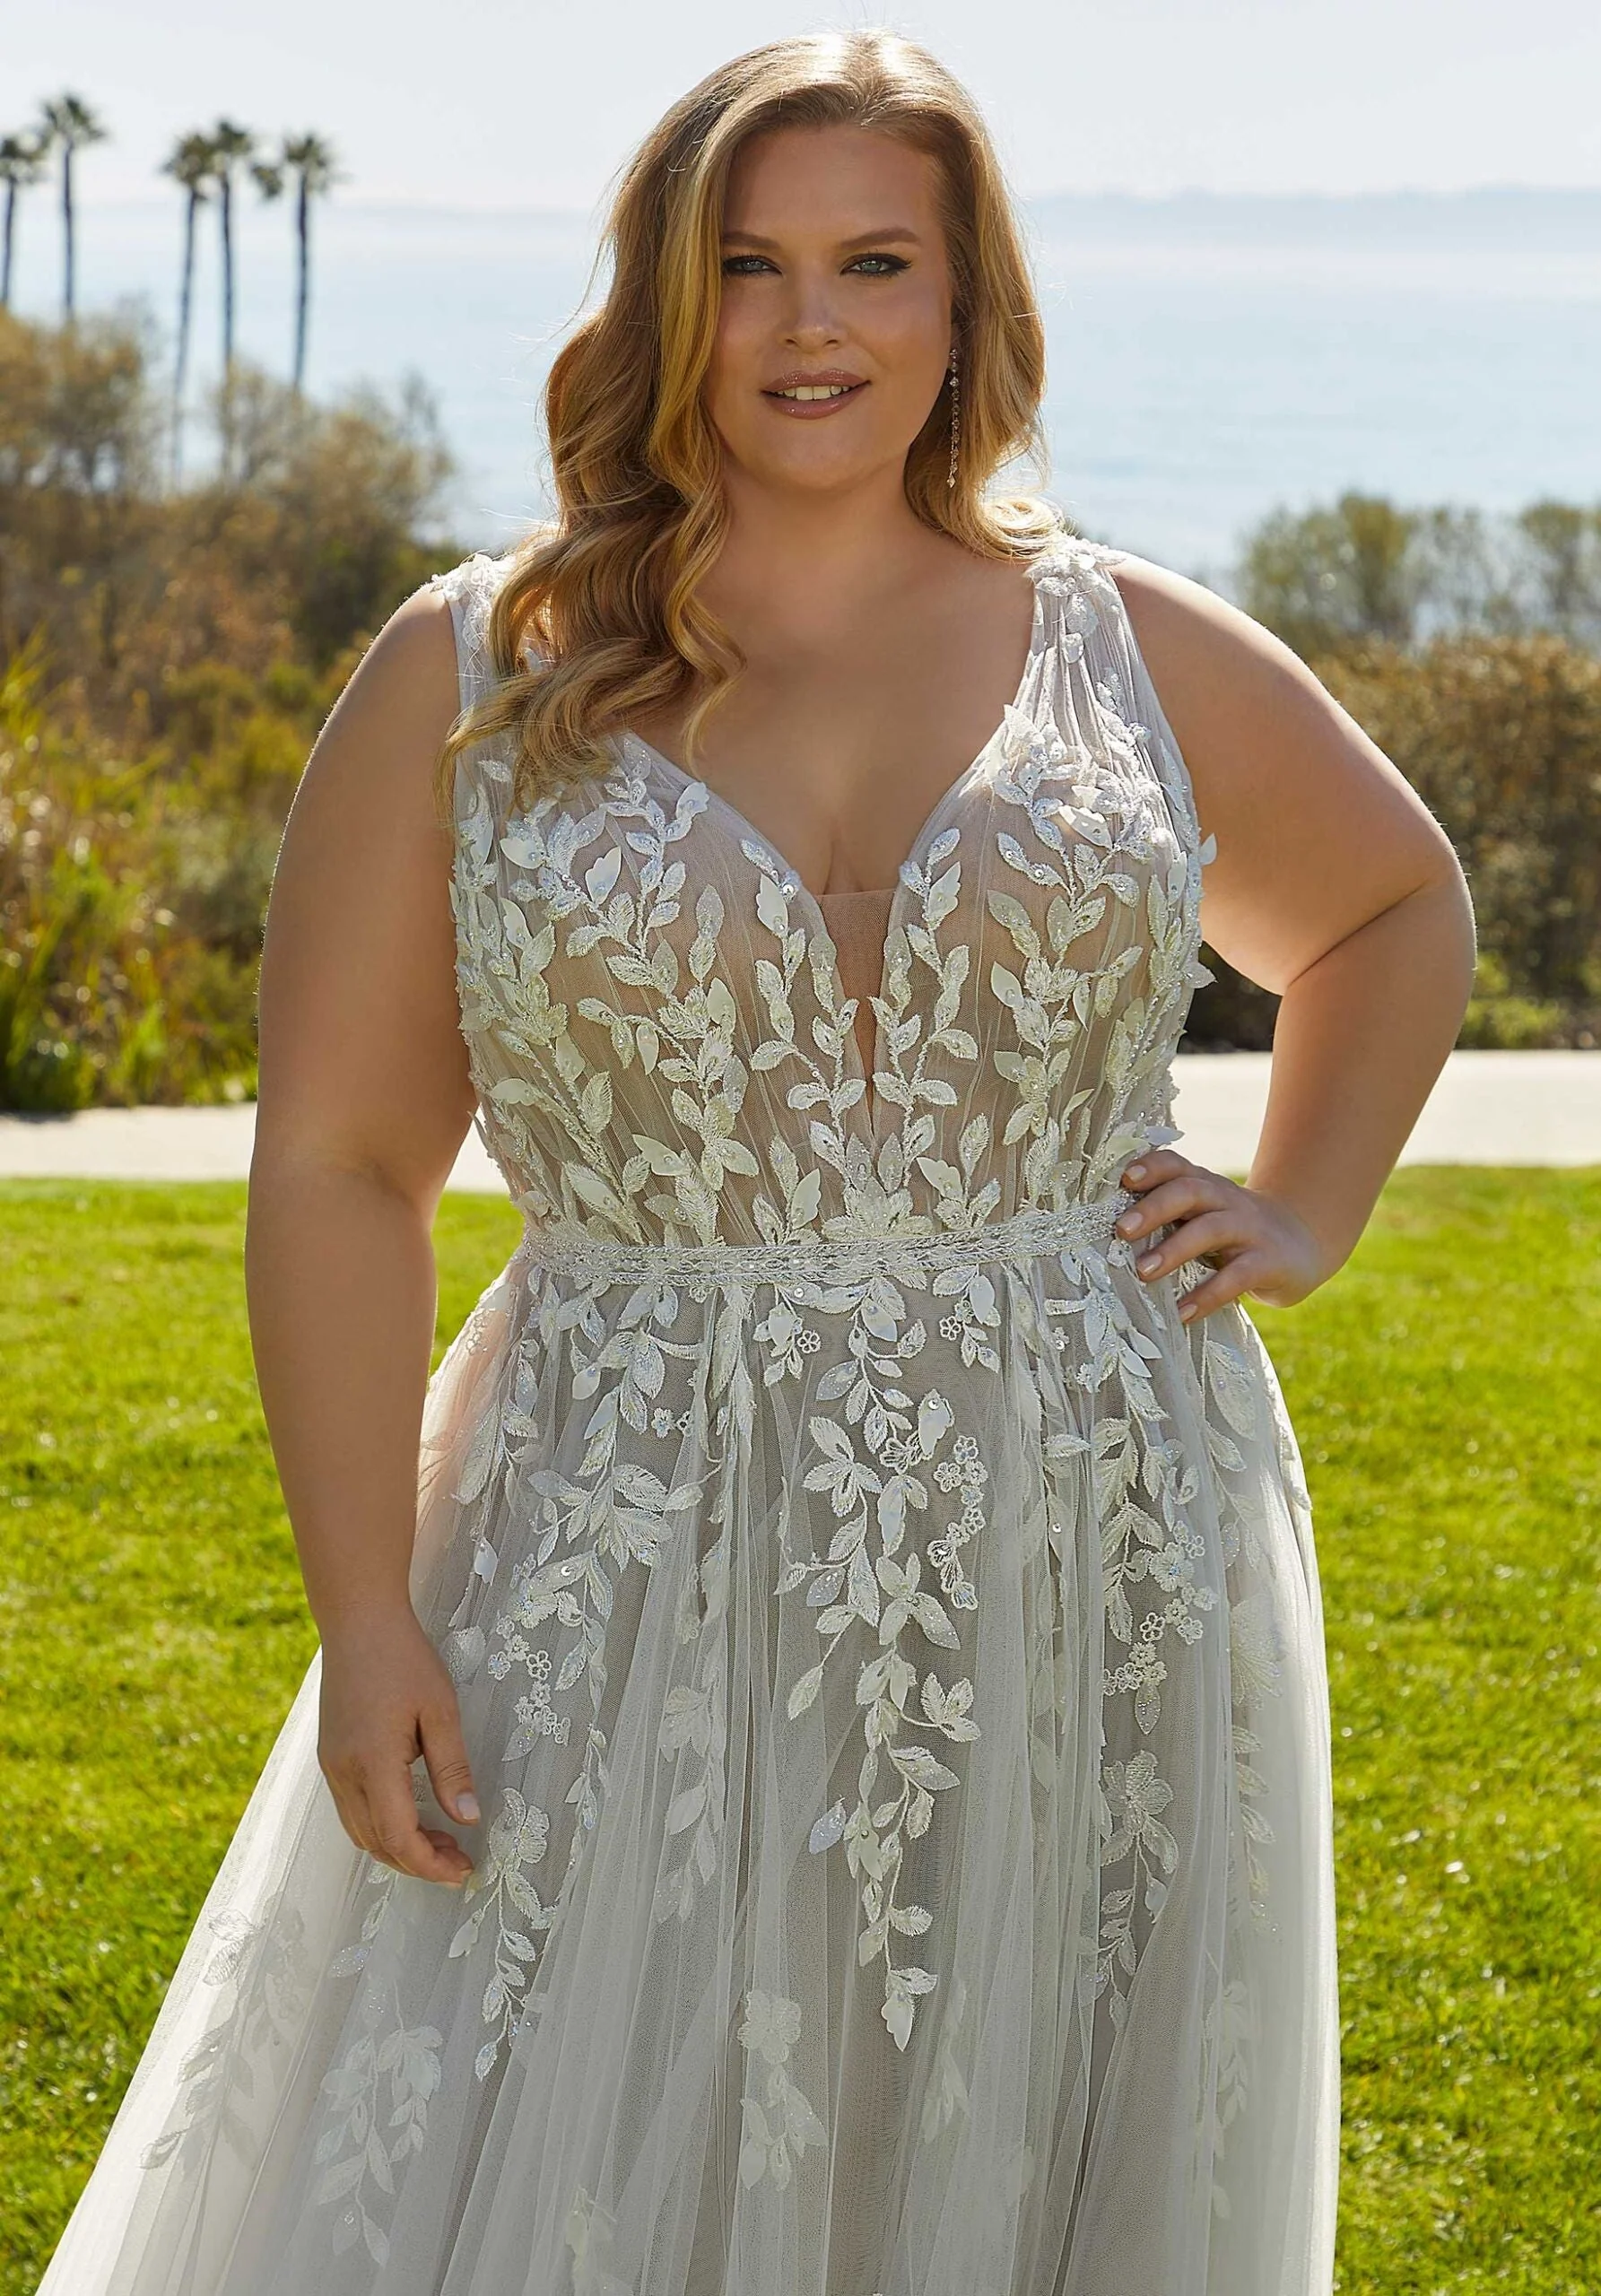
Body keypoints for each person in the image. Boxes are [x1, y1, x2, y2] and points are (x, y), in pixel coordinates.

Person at [37, 29, 1475, 2296]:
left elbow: (1394, 904)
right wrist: (362, 1608)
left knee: (1027, 2127)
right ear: (663, 300)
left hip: (1101, 1518)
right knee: (596, 2121)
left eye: (875, 263)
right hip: (627, 1516)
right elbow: (339, 1161)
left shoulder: (1119, 646)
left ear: (963, 302)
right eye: (748, 264)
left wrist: (1304, 1203)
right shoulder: (476, 672)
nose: (812, 324)